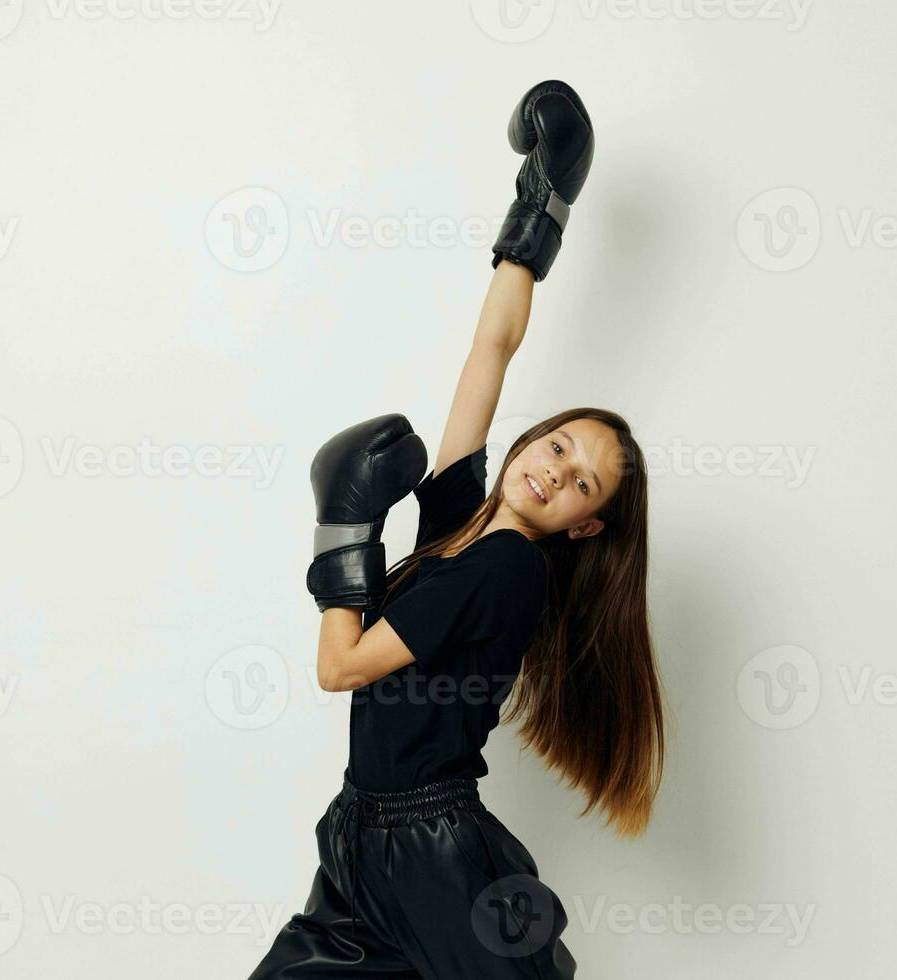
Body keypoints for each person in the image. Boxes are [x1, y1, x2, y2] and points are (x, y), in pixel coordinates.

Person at [248, 80, 666, 979]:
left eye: (578, 481)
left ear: (585, 526)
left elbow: (340, 666)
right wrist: (543, 205)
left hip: (428, 849)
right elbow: (491, 353)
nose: (552, 470)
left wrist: (345, 532)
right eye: (557, 445)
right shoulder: (464, 522)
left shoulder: (510, 566)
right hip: (363, 834)